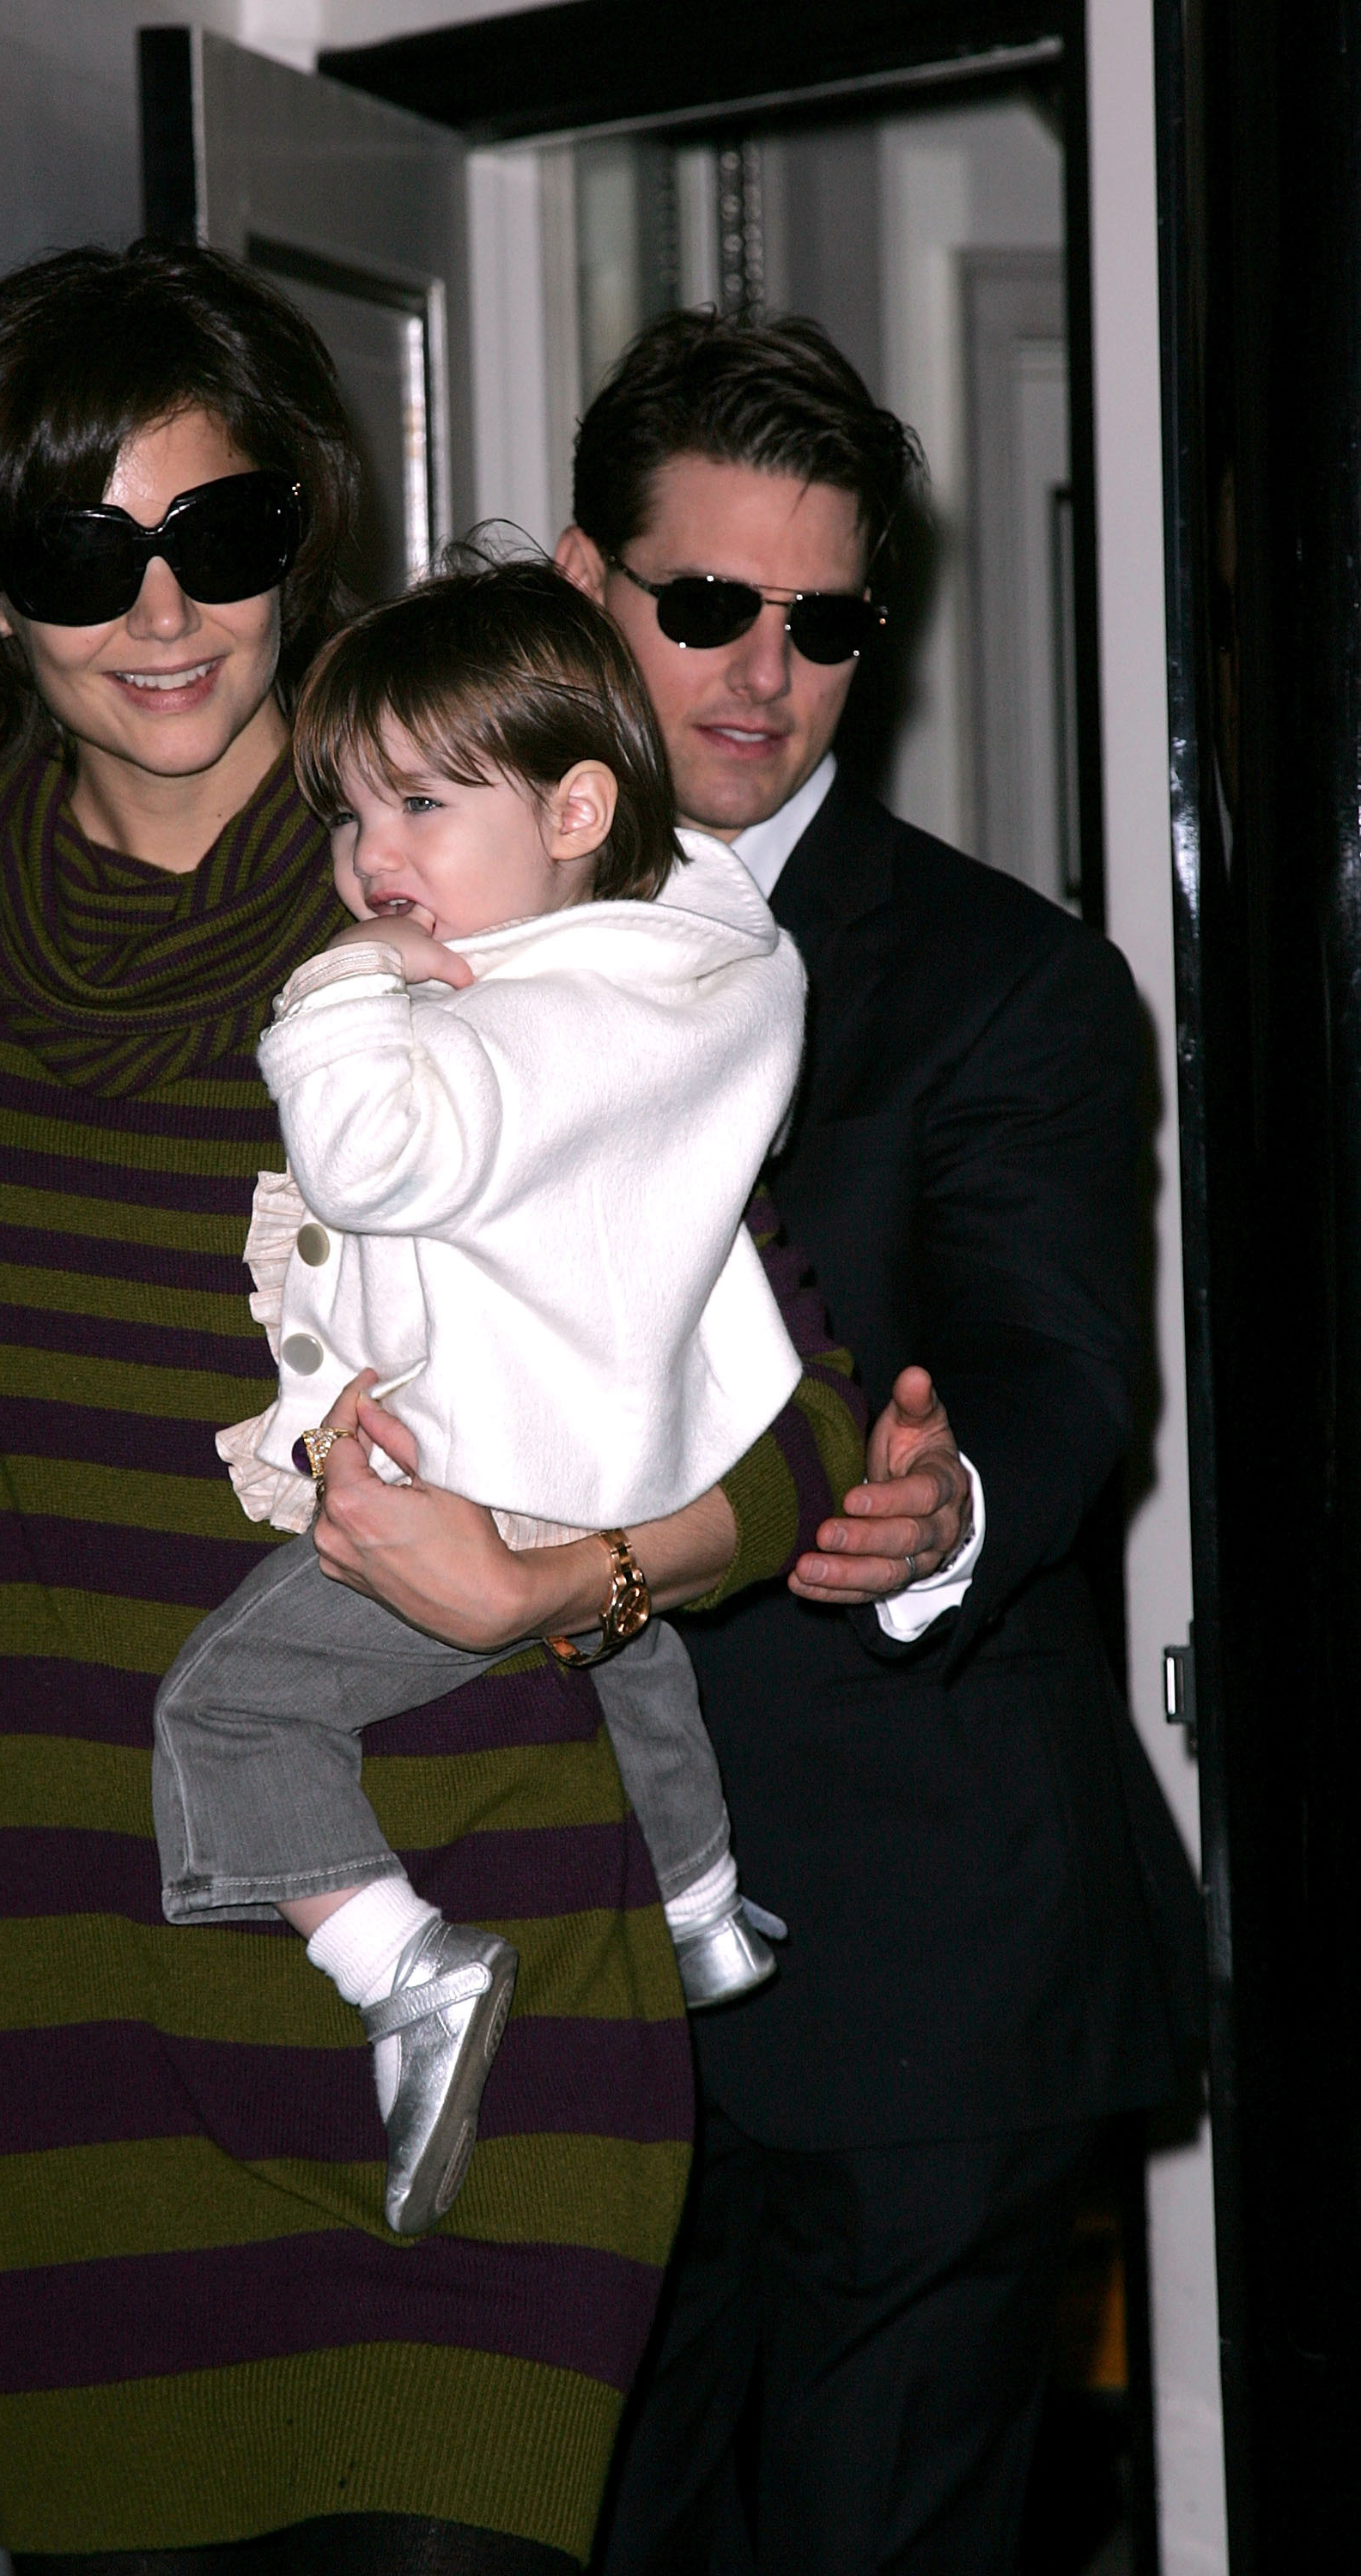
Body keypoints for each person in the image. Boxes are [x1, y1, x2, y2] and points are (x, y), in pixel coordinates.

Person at [0, 241, 869, 2575]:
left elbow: (782, 1429)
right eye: (80, 553)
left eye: (224, 540)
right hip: (52, 1995)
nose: (163, 618)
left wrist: (554, 1580)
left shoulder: (463, 894)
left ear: (306, 541)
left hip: (483, 1957)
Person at [558, 311, 1206, 2574]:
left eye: (820, 620)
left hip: (916, 1963)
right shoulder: (431, 937)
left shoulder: (1001, 981)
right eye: (702, 604)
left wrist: (945, 1507)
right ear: (583, 591)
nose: (760, 673)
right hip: (556, 1972)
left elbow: (1057, 1375)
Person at [152, 559, 809, 2239]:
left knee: (226, 1710)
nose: (376, 862)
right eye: (353, 814)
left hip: (486, 1492)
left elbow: (370, 1167)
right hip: (604, 1467)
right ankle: (705, 1899)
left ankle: (402, 1963)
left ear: (580, 806)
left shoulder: (504, 1013)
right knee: (623, 1644)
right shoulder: (687, 971)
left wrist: (332, 989)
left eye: (426, 804)